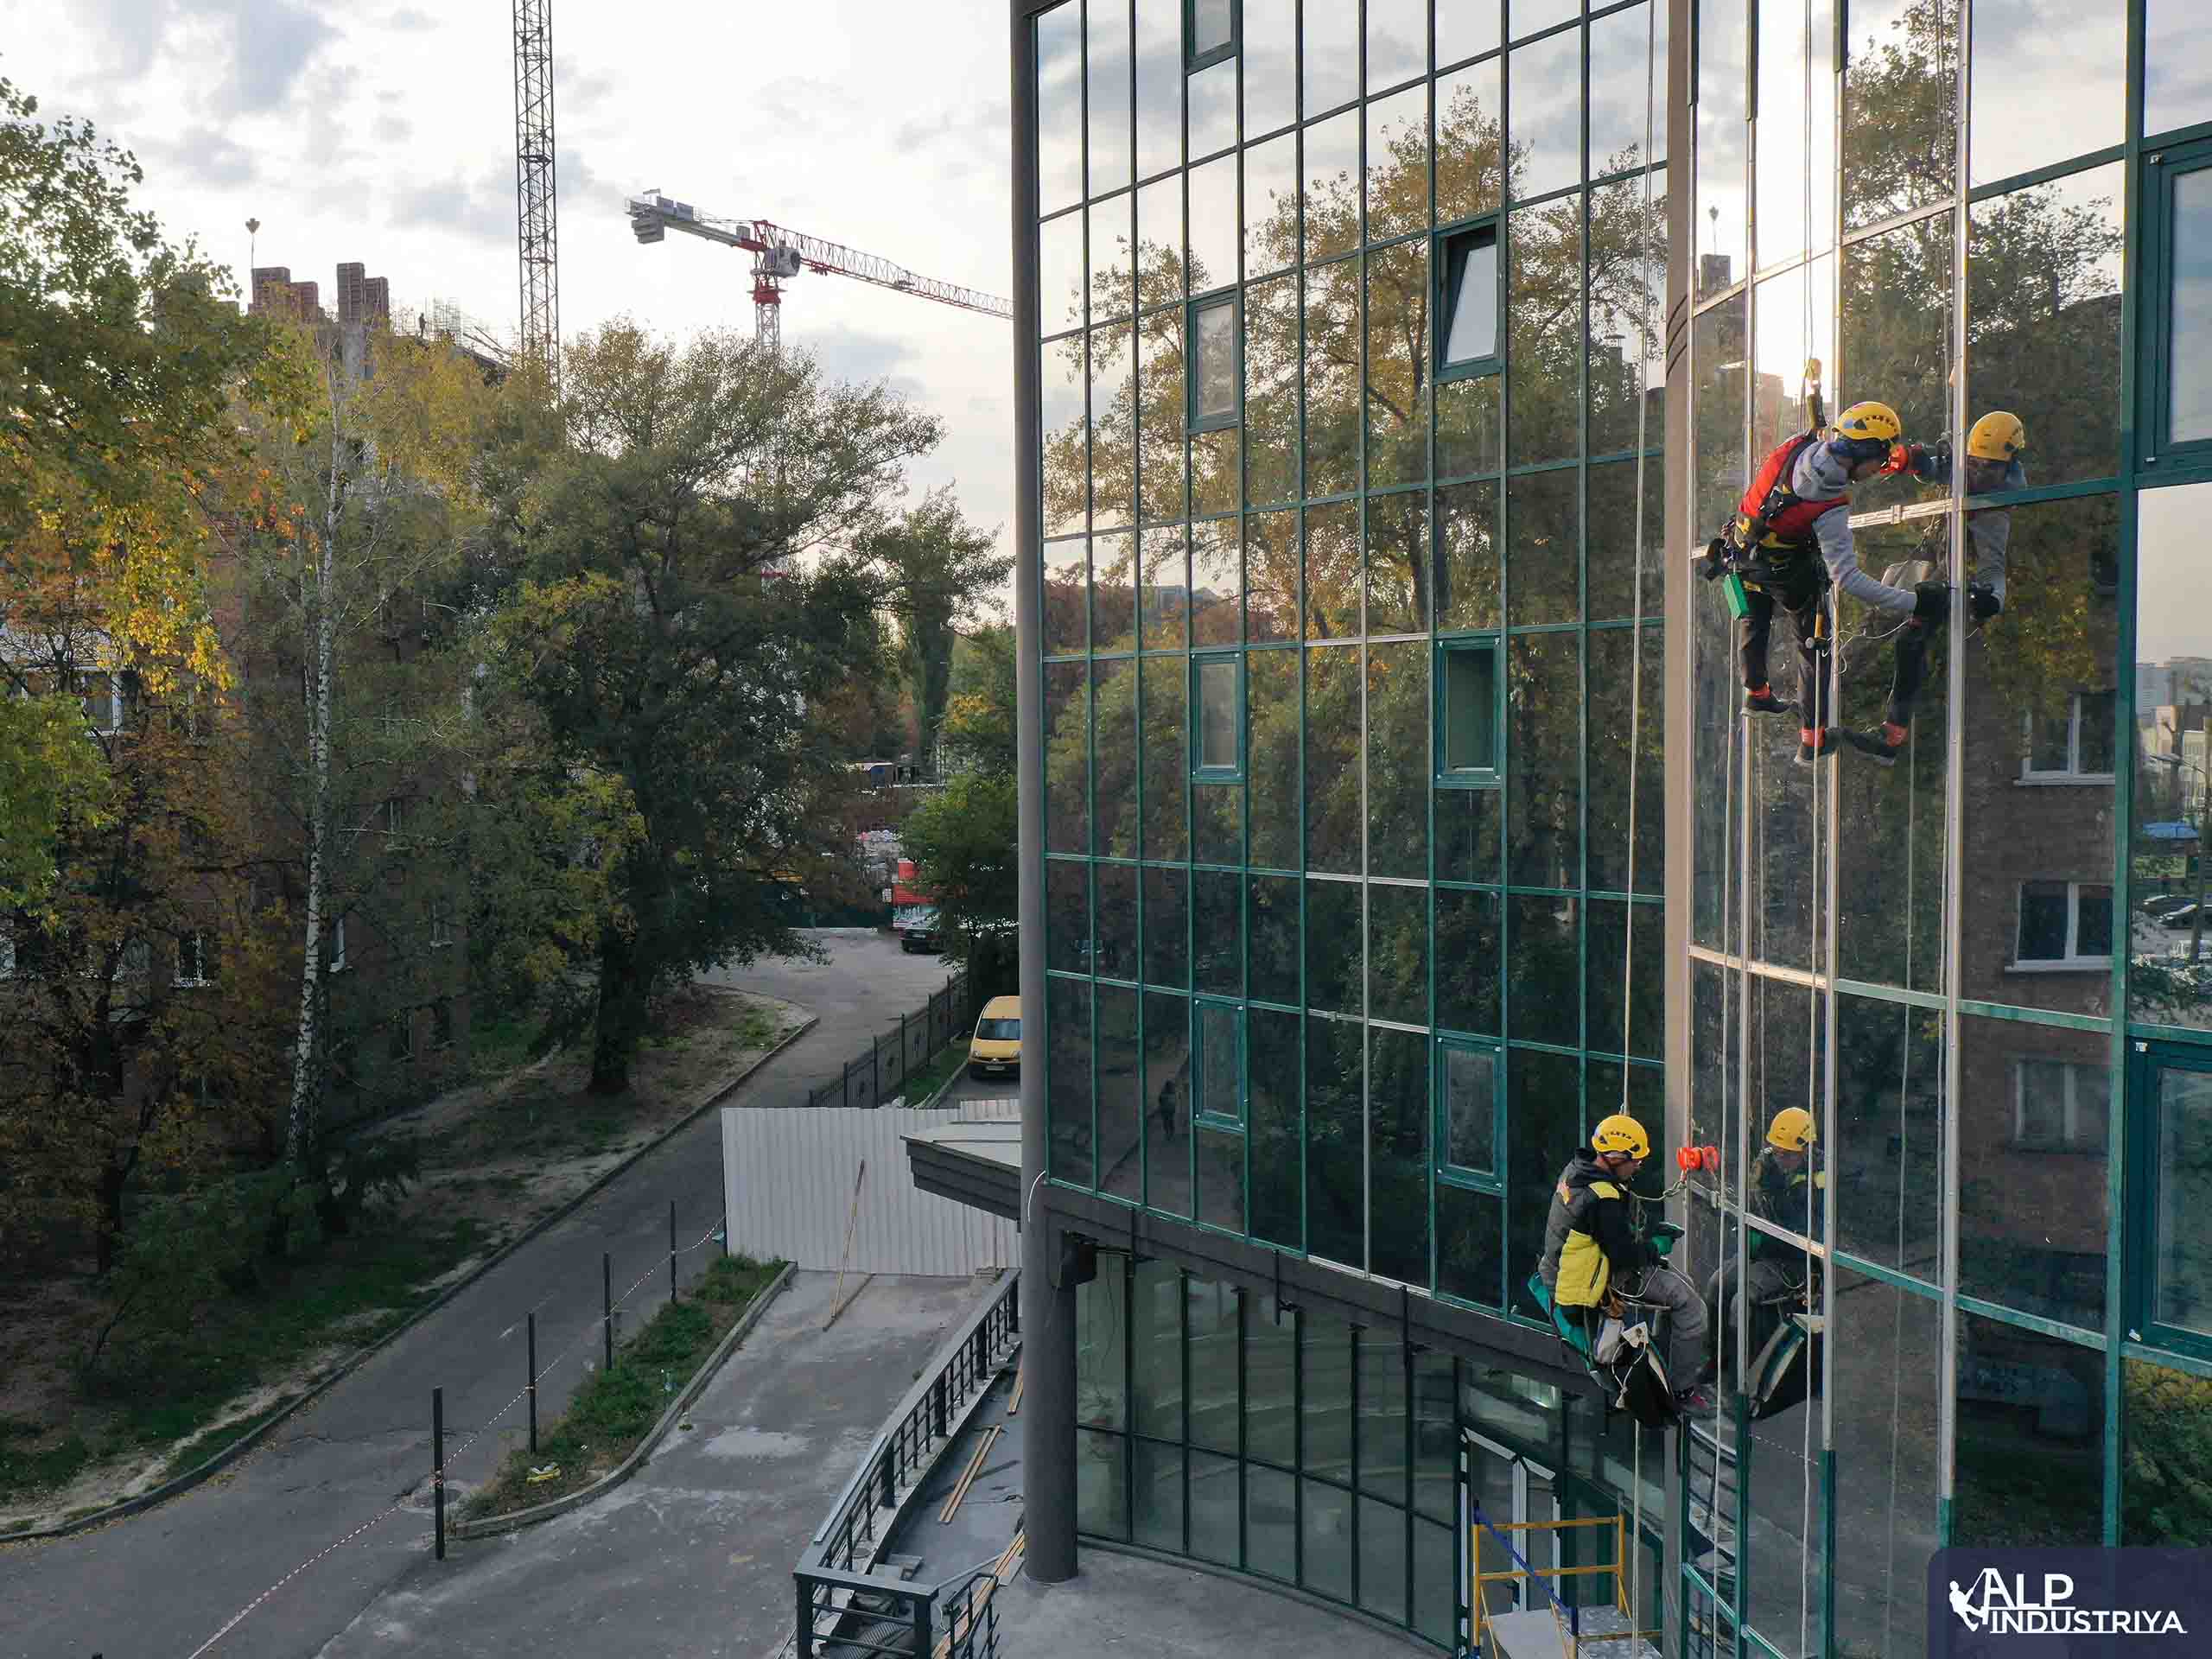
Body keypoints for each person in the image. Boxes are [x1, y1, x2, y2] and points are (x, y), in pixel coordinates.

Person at [1699, 401, 1943, 766]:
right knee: (1813, 644)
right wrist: (1914, 603)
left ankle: (1757, 693)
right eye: (1882, 458)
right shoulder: (1829, 504)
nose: (1879, 469)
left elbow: (1823, 435)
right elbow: (1849, 580)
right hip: (1782, 569)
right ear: (1865, 451)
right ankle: (1811, 740)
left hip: (1739, 552)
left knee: (1753, 620)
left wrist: (1906, 459)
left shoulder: (1800, 444)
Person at [1843, 411, 2025, 766]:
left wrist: (1991, 600)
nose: (1977, 474)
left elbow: (1993, 568)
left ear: (2009, 465)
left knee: (1910, 642)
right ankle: (1837, 672)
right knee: (1884, 615)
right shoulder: (1971, 468)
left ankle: (1892, 733)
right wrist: (1910, 459)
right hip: (1932, 554)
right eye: (1973, 464)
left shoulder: (1996, 507)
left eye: (1988, 468)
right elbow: (1938, 464)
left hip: (1949, 577)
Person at [1538, 1114, 1711, 1414]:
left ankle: (1673, 1355)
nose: (1639, 1166)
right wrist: (1655, 1247)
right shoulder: (1602, 1197)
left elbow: (1607, 1231)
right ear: (1616, 1157)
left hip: (1564, 1271)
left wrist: (1648, 1236)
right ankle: (1683, 1391)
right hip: (1595, 1280)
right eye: (1635, 1160)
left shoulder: (1579, 1171)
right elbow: (1623, 1256)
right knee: (1692, 1307)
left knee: (1684, 1284)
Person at [1705, 1107, 1825, 1372]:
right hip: (1765, 1249)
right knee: (1717, 1284)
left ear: (1806, 1148)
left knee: (1742, 1299)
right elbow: (1751, 1200)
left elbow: (1807, 1231)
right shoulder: (1767, 1163)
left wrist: (1763, 1237)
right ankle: (1717, 1359)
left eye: (1788, 1154)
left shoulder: (1821, 1177)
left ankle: (1744, 1375)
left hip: (1796, 1258)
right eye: (1777, 1150)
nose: (1780, 1157)